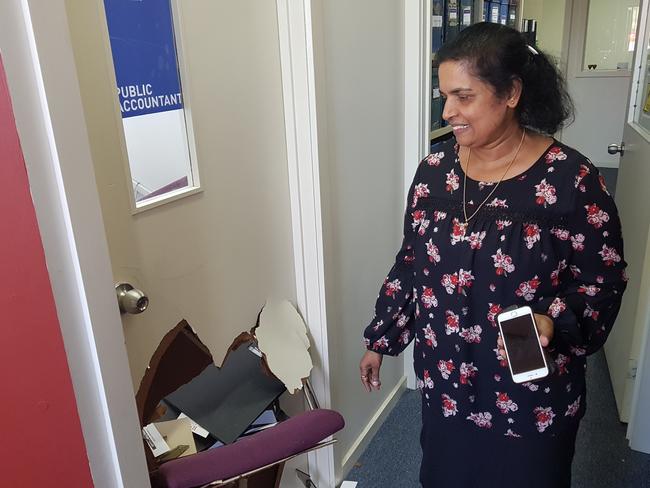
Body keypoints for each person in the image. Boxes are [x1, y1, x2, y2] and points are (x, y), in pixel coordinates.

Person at [359, 22, 627, 488]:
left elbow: (602, 280)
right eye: (444, 96)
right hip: (447, 381)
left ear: (511, 92)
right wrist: (381, 338)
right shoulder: (434, 172)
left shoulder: (571, 181)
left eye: (464, 96)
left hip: (525, 387)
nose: (449, 111)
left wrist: (555, 321)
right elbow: (411, 264)